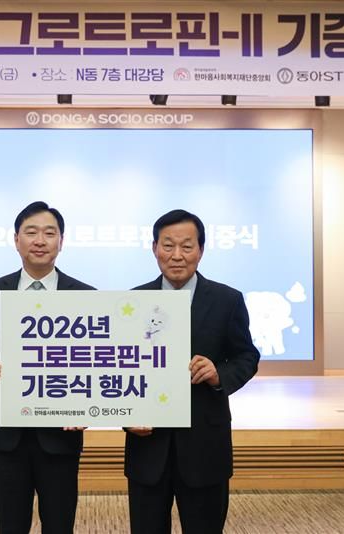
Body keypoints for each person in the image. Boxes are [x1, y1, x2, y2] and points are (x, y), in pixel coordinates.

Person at [0, 201, 95, 534]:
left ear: (61, 241)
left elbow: (96, 360)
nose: (40, 240)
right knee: (10, 523)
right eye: (31, 232)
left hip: (61, 432)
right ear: (16, 240)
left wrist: (88, 405)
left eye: (49, 233)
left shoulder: (85, 295)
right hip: (7, 434)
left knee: (60, 523)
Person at [125, 209, 260, 534]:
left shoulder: (227, 300)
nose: (177, 255)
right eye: (168, 245)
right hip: (148, 448)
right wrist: (127, 416)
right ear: (154, 248)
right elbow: (119, 366)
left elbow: (246, 356)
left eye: (186, 246)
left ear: (201, 249)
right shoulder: (133, 302)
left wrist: (218, 374)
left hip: (205, 447)